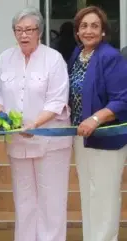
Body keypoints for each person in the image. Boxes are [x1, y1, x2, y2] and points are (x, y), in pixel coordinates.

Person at [0, 7, 72, 241]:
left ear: (39, 31)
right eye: (19, 30)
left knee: (52, 200)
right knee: (24, 199)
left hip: (51, 142)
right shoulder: (5, 58)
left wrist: (34, 124)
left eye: (29, 29)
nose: (24, 35)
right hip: (18, 142)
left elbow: (58, 99)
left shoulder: (54, 59)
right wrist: (3, 118)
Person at [69, 6, 127, 241]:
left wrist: (95, 119)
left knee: (104, 197)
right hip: (82, 138)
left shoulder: (111, 57)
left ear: (103, 31)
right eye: (84, 26)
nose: (89, 30)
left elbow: (122, 99)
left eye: (95, 26)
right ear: (77, 31)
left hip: (107, 140)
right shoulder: (78, 55)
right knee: (88, 195)